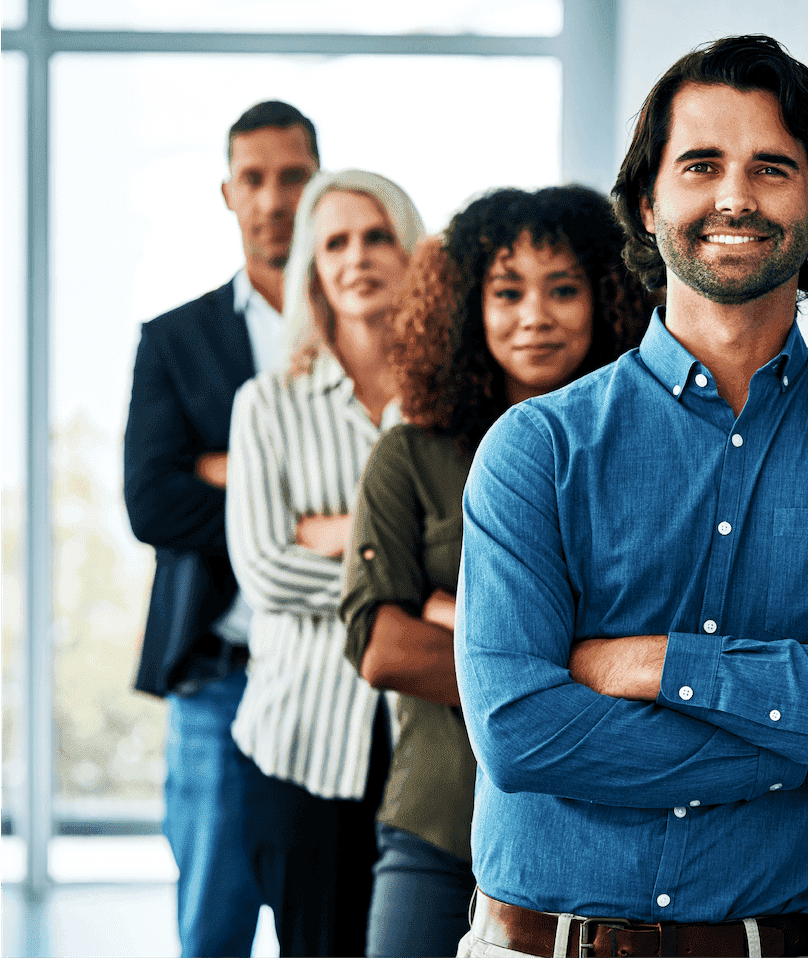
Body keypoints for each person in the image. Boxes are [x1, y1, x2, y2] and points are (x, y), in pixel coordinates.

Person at [454, 35, 808, 958]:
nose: (735, 197)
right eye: (702, 165)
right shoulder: (535, 450)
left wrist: (660, 664)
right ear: (651, 203)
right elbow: (520, 734)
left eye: (772, 169)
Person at [339, 185, 655, 958]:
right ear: (465, 309)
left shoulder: (647, 454)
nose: (534, 316)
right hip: (435, 827)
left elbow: (664, 631)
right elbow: (380, 646)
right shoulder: (408, 455)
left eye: (564, 290)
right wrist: (569, 663)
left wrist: (462, 622)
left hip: (591, 838)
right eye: (507, 293)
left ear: (608, 299)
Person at [123, 100, 319, 958]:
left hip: (341, 676)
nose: (274, 199)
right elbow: (152, 503)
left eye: (293, 177)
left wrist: (229, 467)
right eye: (254, 179)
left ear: (320, 186)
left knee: (334, 923)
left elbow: (384, 483)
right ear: (228, 194)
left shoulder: (362, 323)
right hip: (219, 682)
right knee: (212, 931)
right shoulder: (174, 339)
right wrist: (300, 504)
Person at [225, 168, 425, 957]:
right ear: (312, 264)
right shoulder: (267, 403)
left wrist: (336, 531)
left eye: (377, 236)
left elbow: (479, 553)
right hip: (301, 749)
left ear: (412, 253)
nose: (357, 257)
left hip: (427, 749)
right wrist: (410, 570)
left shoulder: (451, 398)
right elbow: (268, 570)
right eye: (335, 241)